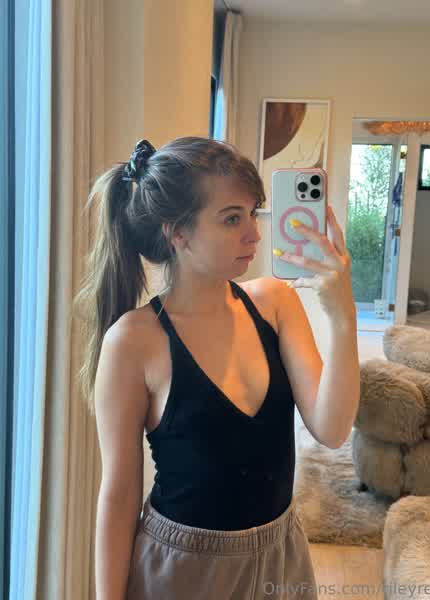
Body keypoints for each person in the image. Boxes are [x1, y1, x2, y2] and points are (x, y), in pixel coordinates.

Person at [74, 136, 355, 600]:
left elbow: (333, 429)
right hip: (184, 572)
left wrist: (343, 317)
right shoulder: (134, 341)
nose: (254, 234)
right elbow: (119, 494)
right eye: (231, 218)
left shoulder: (275, 304)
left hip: (280, 558)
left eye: (252, 213)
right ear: (177, 233)